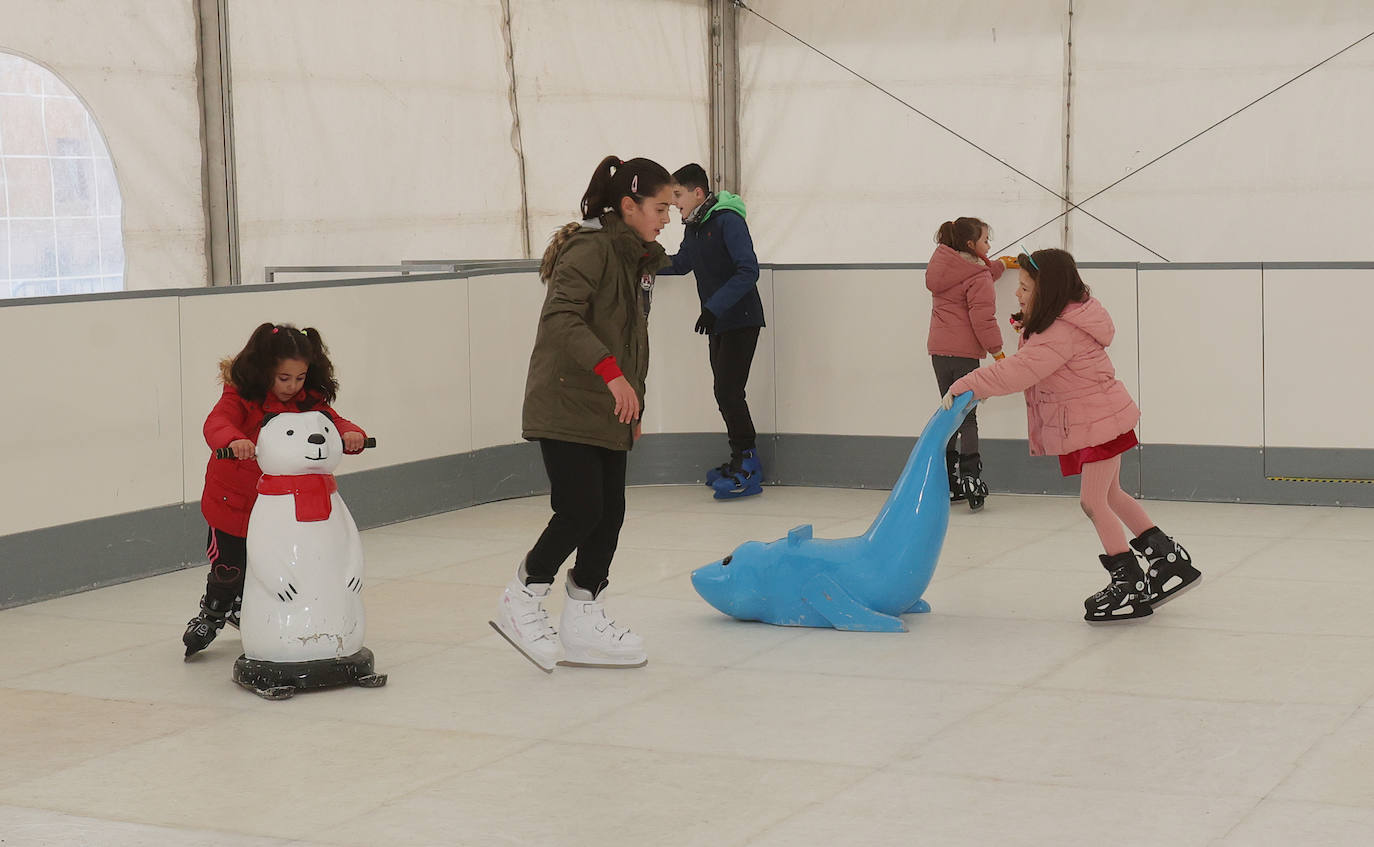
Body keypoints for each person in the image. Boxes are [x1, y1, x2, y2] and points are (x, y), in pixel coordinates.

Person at [943, 248, 1201, 622]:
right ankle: (1168, 558)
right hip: (1099, 419)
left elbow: (1017, 372)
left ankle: (1128, 580)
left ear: (1048, 291)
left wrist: (966, 384)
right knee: (1111, 494)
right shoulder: (1062, 320)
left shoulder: (1060, 332)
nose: (1017, 293)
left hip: (1097, 423)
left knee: (1093, 502)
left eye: (1025, 287)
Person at [491, 155, 673, 671]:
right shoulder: (590, 248)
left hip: (607, 406)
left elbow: (631, 339)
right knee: (580, 509)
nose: (667, 218)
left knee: (609, 512)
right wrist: (613, 375)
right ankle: (521, 596)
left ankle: (583, 616)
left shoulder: (635, 257)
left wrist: (633, 398)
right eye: (660, 208)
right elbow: (561, 318)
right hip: (567, 400)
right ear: (629, 205)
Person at [184, 323, 367, 658]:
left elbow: (331, 422)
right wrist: (234, 440)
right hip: (235, 503)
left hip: (280, 509)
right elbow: (218, 422)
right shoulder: (241, 395)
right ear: (265, 369)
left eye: (300, 378)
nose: (292, 386)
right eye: (284, 378)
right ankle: (213, 612)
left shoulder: (307, 401)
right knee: (231, 567)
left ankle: (261, 611)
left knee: (280, 562)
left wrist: (350, 433)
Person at [659, 163, 765, 499]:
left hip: (741, 319)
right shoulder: (694, 227)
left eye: (678, 195)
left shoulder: (728, 221)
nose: (674, 203)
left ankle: (749, 465)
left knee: (730, 392)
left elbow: (748, 270)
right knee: (723, 392)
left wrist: (713, 307)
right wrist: (642, 259)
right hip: (718, 322)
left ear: (697, 193)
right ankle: (739, 458)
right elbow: (680, 264)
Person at [926, 217, 1015, 511]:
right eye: (986, 241)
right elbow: (983, 318)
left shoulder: (943, 266)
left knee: (949, 412)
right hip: (965, 353)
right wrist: (997, 352)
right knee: (968, 417)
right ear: (970, 244)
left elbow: (980, 272)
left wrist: (1000, 265)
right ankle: (971, 478)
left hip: (939, 351)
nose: (989, 246)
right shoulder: (977, 276)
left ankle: (949, 481)